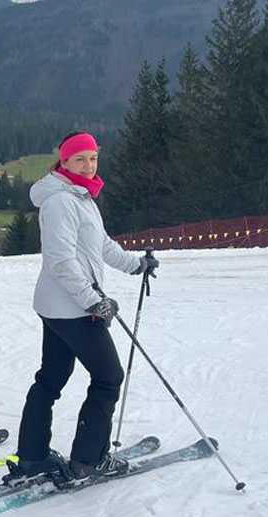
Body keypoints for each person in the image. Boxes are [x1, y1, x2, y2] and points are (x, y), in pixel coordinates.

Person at [11, 131, 159, 482]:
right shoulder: (61, 201)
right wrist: (94, 301)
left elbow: (101, 245)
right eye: (80, 159)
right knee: (108, 377)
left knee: (51, 379)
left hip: (61, 305)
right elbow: (61, 261)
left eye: (93, 158)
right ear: (64, 161)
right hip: (74, 308)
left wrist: (136, 265)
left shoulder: (80, 195)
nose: (88, 165)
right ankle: (89, 460)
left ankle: (33, 456)